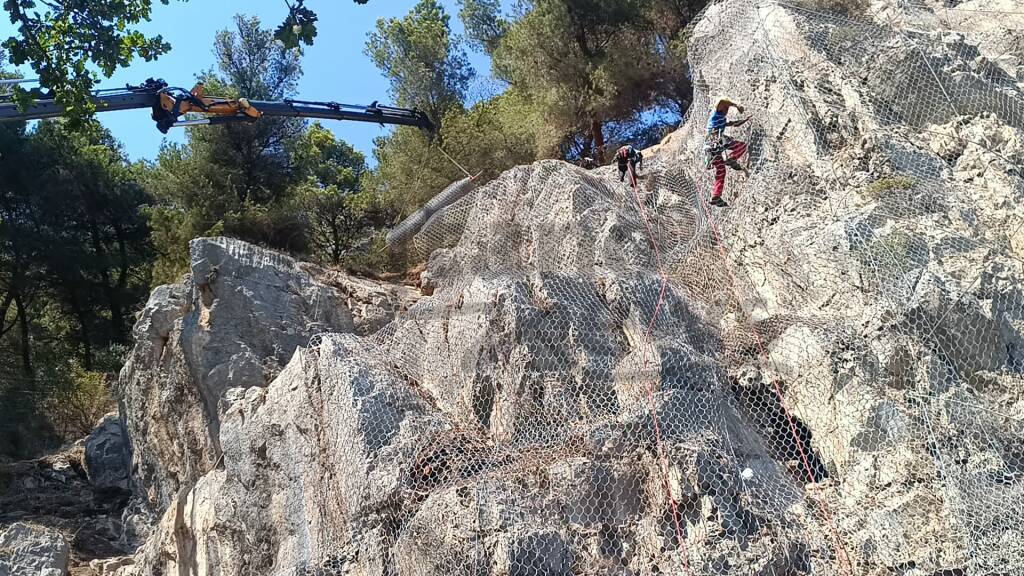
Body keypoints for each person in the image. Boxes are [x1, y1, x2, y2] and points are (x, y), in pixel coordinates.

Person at [704, 97, 750, 207]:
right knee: (742, 146)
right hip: (715, 143)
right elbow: (720, 101)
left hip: (711, 149)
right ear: (722, 108)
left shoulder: (723, 119)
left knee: (721, 171)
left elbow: (733, 124)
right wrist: (736, 105)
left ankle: (716, 196)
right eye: (726, 108)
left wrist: (745, 120)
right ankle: (732, 158)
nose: (727, 111)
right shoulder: (715, 115)